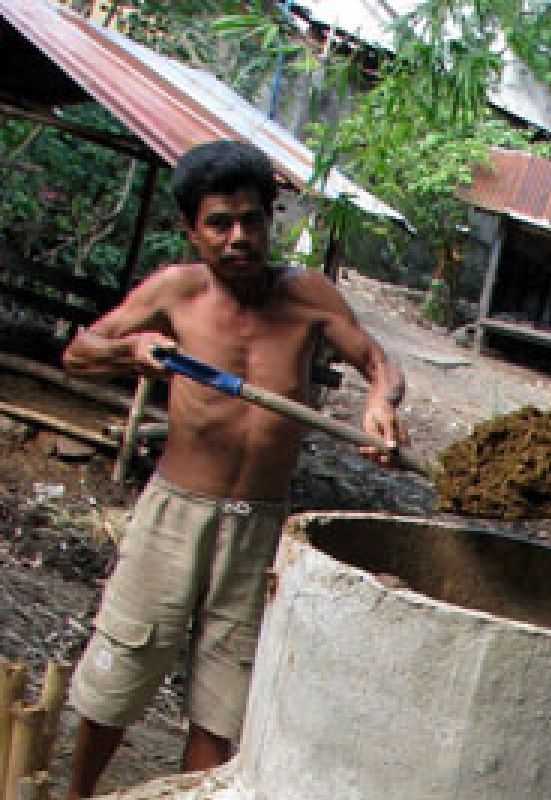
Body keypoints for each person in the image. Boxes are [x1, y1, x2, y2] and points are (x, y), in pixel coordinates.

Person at [60, 140, 409, 798]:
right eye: (219, 223)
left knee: (224, 698)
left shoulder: (306, 295)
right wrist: (134, 348)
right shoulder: (177, 290)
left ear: (270, 220)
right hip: (174, 511)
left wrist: (378, 403)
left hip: (259, 527)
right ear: (193, 230)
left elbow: (376, 362)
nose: (239, 237)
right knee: (122, 670)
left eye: (252, 220)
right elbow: (81, 351)